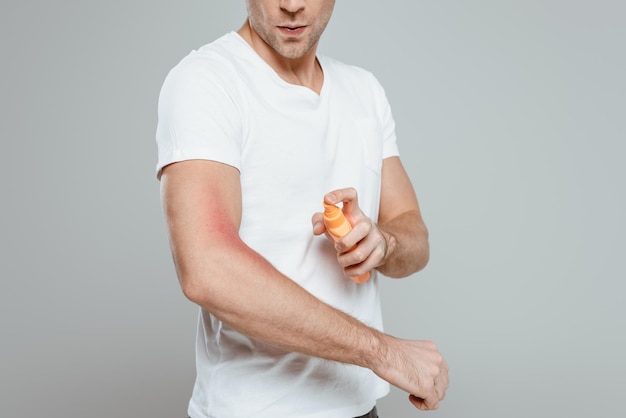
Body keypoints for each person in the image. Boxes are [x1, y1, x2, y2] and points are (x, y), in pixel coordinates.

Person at [155, 1, 449, 417]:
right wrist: (383, 353)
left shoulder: (363, 90)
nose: (291, 5)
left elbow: (415, 238)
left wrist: (383, 242)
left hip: (359, 408)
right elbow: (206, 269)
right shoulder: (207, 81)